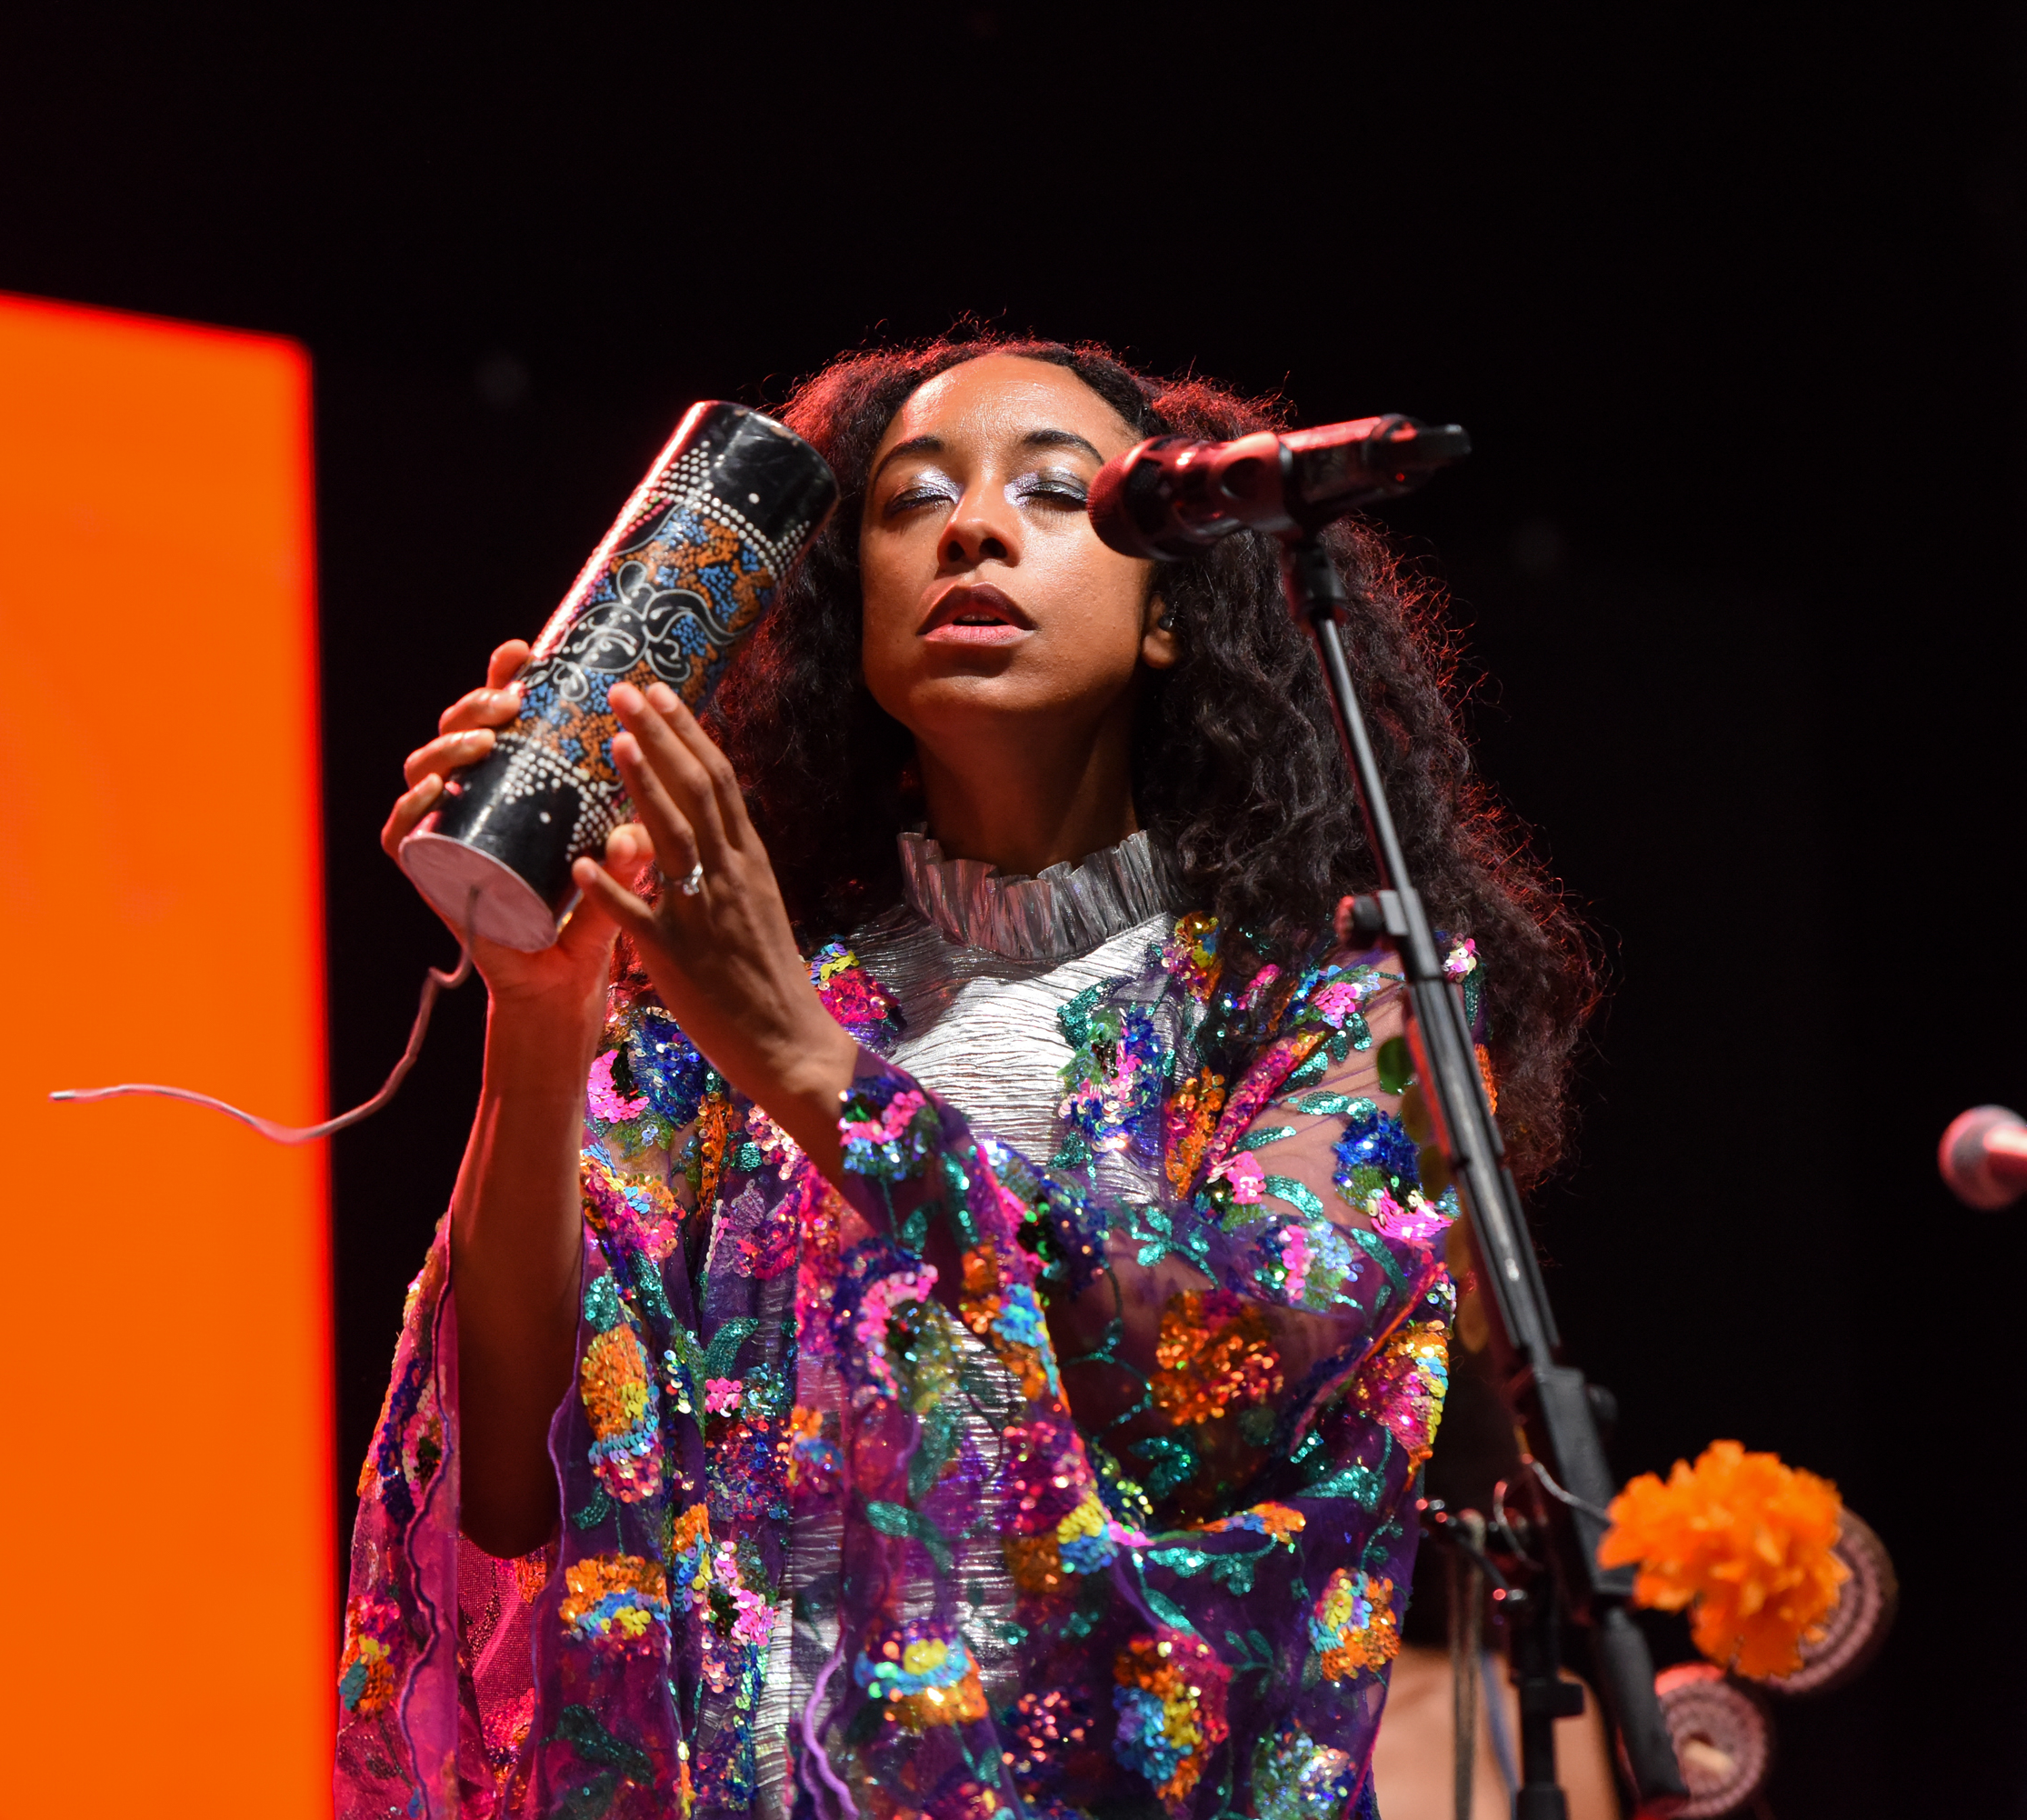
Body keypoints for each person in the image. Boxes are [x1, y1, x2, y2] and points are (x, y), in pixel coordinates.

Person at [335, 338, 1597, 1820]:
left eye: (1058, 493)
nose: (973, 527)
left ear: (1172, 615)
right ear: (845, 614)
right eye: (908, 501)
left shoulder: (1333, 1007)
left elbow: (1216, 1369)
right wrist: (544, 1019)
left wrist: (812, 1061)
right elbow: (512, 1480)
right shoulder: (720, 1008)